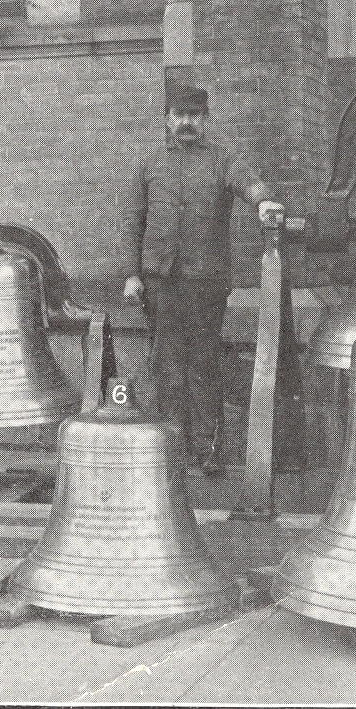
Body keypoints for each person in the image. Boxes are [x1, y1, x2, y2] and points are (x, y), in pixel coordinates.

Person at [120, 86, 283, 476]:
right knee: (166, 364)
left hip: (205, 281)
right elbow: (133, 222)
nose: (187, 122)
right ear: (167, 118)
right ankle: (173, 449)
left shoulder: (223, 159)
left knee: (204, 364)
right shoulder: (149, 163)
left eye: (195, 115)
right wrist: (131, 274)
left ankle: (208, 451)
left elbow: (250, 185)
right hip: (160, 279)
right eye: (179, 115)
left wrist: (263, 202)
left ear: (205, 119)